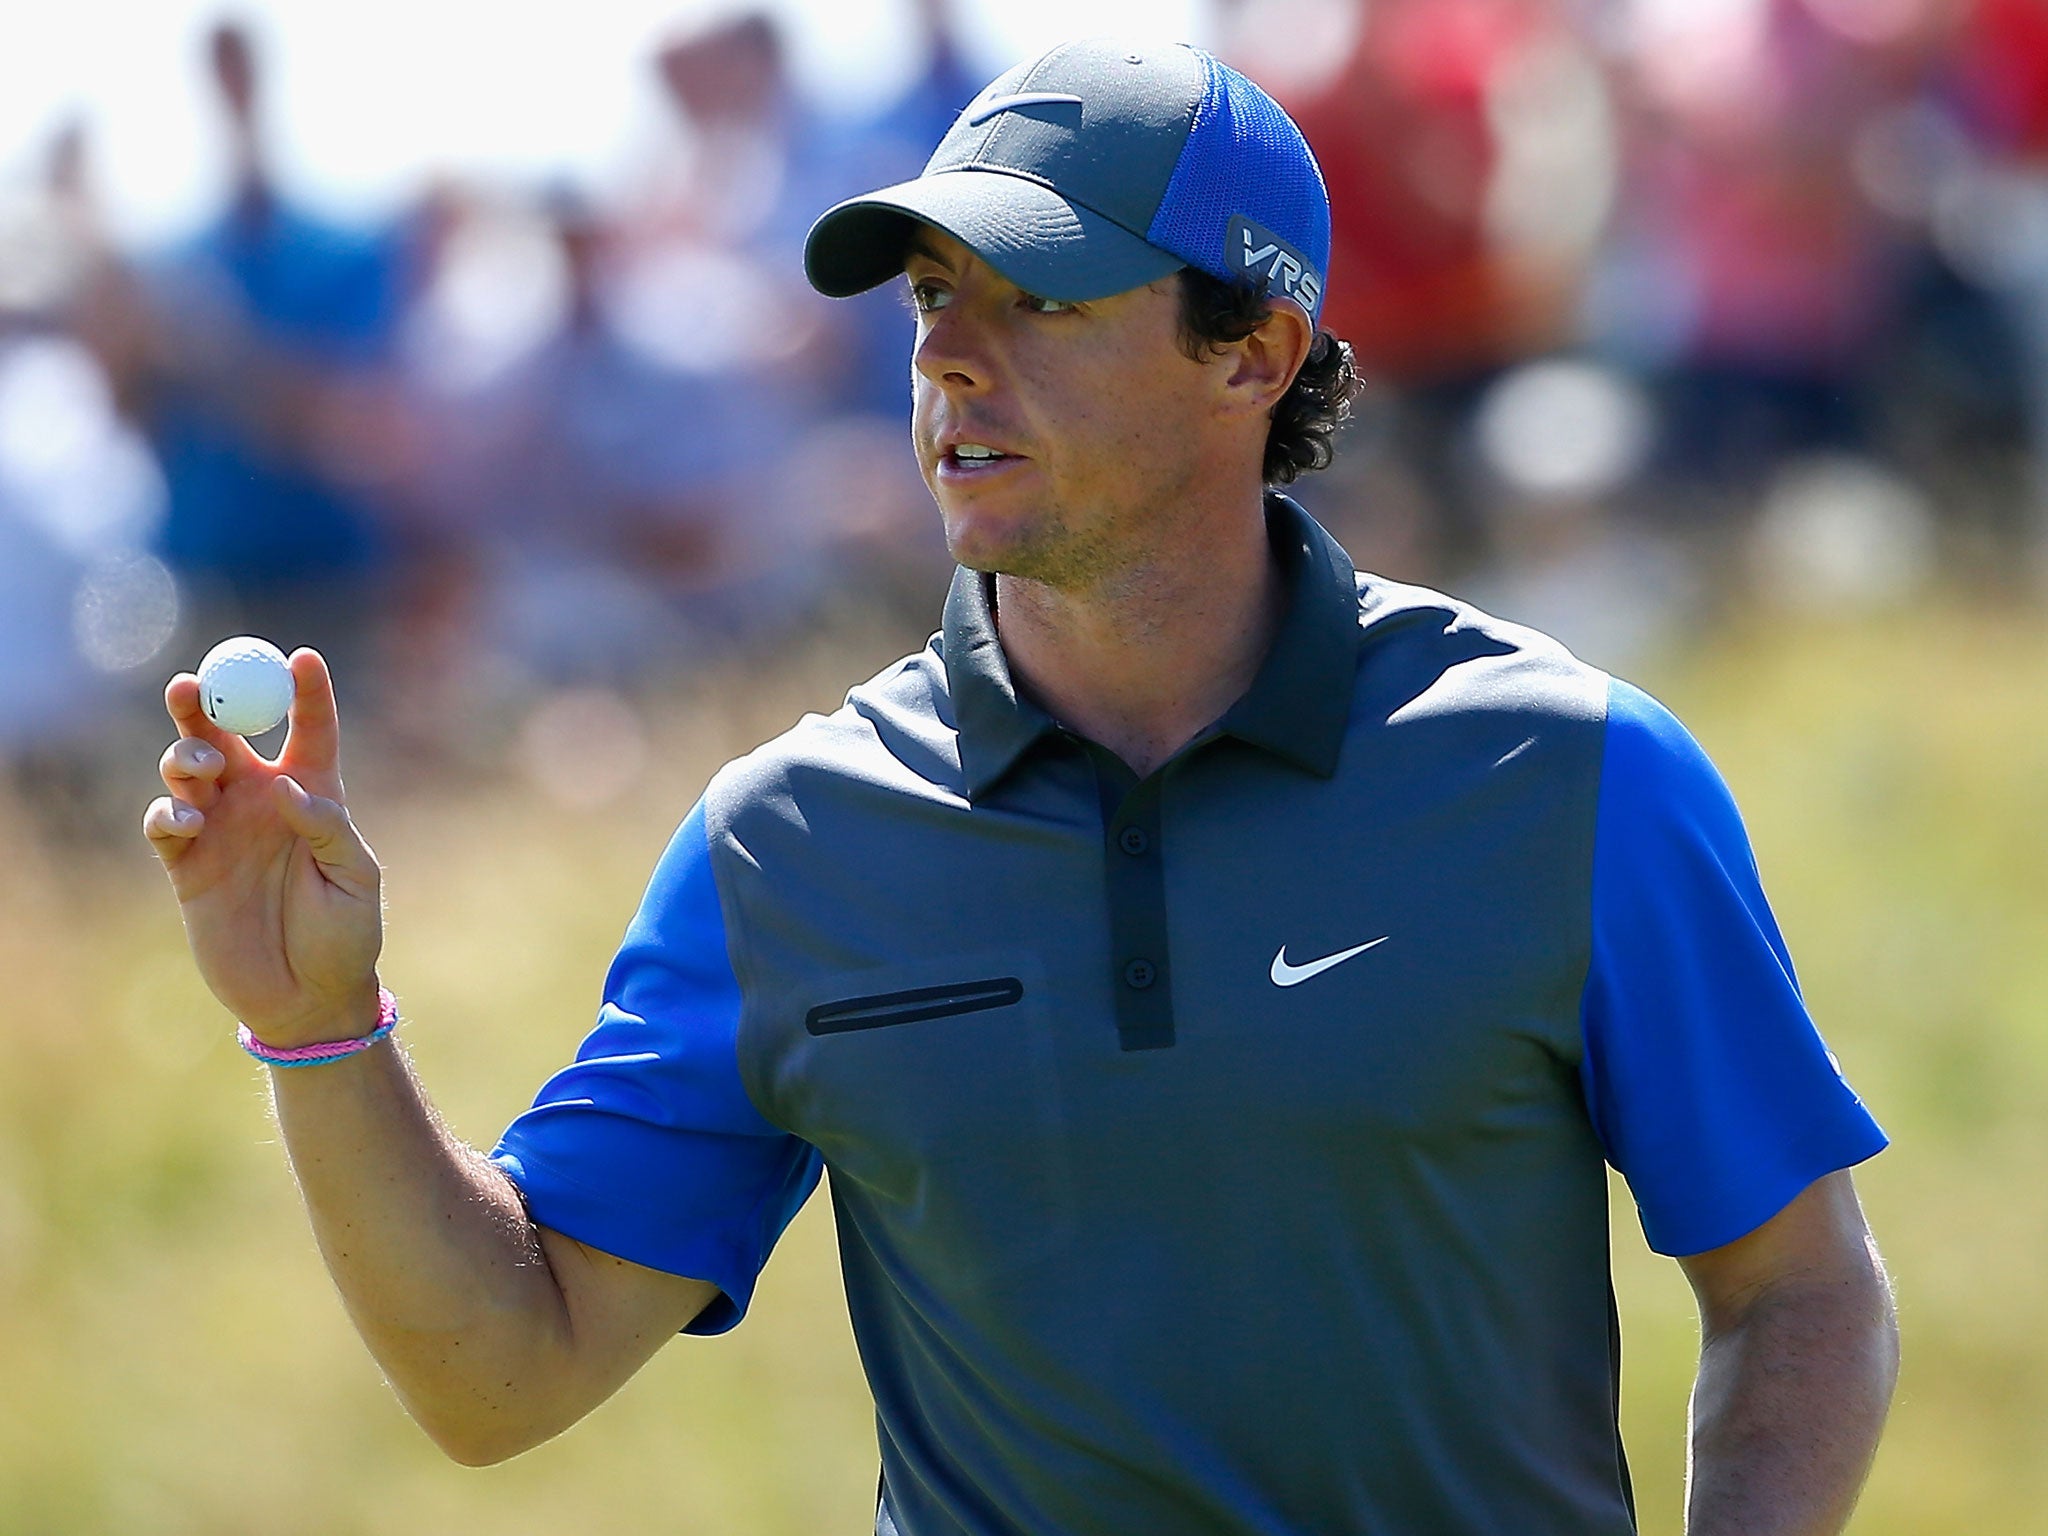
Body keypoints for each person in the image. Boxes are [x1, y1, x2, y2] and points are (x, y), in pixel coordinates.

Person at [144, 37, 1898, 1536]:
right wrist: (322, 1025)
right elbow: (502, 1375)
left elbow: (1798, 1287)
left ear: (1254, 354)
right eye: (930, 298)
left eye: (1038, 298)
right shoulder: (788, 842)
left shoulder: (1569, 773)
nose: (947, 359)